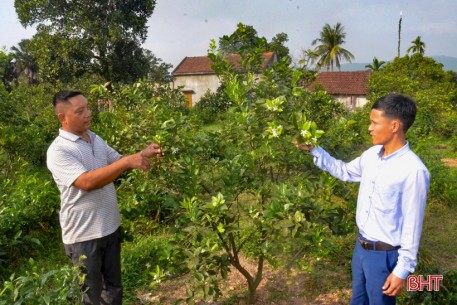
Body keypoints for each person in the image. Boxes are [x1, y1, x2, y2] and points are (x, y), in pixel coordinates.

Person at [296, 93, 430, 304]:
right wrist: (314, 149)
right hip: (361, 248)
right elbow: (344, 171)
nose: (369, 128)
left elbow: (413, 225)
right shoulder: (372, 155)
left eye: (374, 122)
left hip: (385, 256)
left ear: (394, 125)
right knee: (358, 300)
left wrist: (402, 270)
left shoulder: (413, 171)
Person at [47, 90, 163, 305]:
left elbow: (117, 161)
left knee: (113, 289)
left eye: (88, 108)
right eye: (80, 111)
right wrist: (127, 162)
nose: (88, 114)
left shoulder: (95, 139)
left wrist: (141, 155)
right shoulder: (59, 150)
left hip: (109, 227)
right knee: (92, 296)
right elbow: (87, 182)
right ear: (62, 117)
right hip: (83, 236)